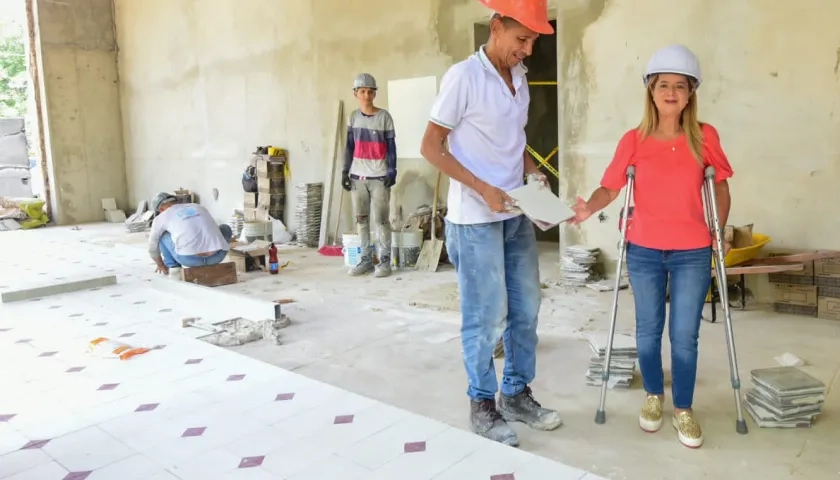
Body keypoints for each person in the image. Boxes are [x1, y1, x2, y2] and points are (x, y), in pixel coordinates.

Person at [571, 44, 733, 449]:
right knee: (647, 332)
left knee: (684, 334)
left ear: (691, 92)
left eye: (681, 85)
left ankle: (683, 408)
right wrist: (589, 206)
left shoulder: (705, 136)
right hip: (643, 249)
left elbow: (721, 186)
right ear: (651, 90)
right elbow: (611, 187)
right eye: (664, 85)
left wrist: (719, 231)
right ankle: (653, 397)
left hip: (693, 251)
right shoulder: (635, 140)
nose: (672, 92)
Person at [419, 0, 562, 447]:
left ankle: (516, 393)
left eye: (534, 41)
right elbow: (431, 146)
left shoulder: (518, 78)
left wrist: (531, 173)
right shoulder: (463, 77)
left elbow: (515, 141)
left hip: (514, 212)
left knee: (526, 309)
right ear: (496, 27)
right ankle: (482, 403)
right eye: (521, 39)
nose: (527, 50)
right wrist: (482, 187)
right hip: (475, 219)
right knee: (485, 317)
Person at [341, 73, 397, 278]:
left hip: (380, 177)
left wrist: (392, 170)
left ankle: (384, 261)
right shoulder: (353, 118)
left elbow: (391, 146)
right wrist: (344, 171)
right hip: (358, 177)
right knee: (361, 220)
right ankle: (365, 259)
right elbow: (349, 146)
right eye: (362, 91)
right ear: (356, 94)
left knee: (381, 221)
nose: (366, 95)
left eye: (370, 91)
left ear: (374, 94)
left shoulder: (384, 117)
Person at [147, 193, 233, 280]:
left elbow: (152, 247)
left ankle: (174, 268)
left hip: (189, 259)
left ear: (161, 209)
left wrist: (160, 264)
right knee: (225, 228)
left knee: (163, 234)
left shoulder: (161, 218)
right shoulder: (198, 207)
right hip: (217, 257)